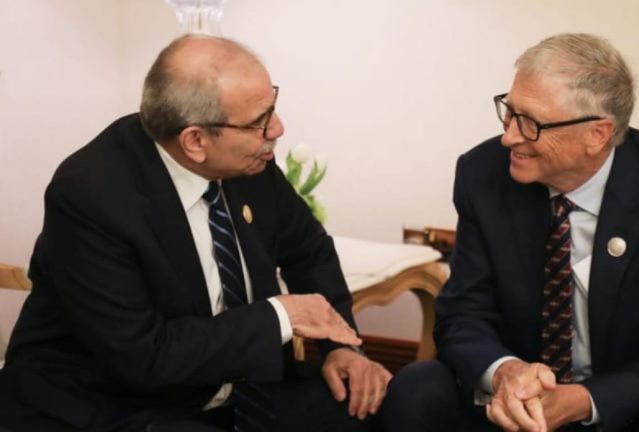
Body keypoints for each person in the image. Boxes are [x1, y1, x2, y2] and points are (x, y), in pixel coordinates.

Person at [0, 34, 391, 432]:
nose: (277, 128)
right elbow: (144, 355)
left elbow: (308, 251)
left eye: (272, 108)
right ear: (195, 141)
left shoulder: (249, 163)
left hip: (237, 385)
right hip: (113, 402)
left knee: (383, 409)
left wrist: (341, 348)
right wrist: (281, 315)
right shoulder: (91, 196)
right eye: (259, 122)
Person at [384, 33, 639, 432]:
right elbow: (463, 313)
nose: (509, 136)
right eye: (509, 112)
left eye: (531, 123)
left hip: (638, 400)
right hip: (523, 399)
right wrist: (506, 373)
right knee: (417, 389)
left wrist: (585, 400)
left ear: (597, 134)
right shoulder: (483, 174)